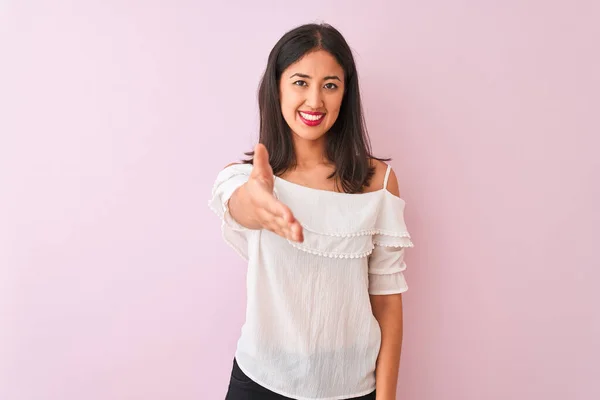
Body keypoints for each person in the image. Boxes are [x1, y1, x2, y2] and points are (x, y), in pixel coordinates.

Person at [208, 23, 414, 400]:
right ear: (277, 88)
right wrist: (259, 206)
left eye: (330, 85)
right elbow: (241, 205)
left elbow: (386, 302)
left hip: (352, 387)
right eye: (300, 82)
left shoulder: (378, 184)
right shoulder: (248, 179)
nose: (315, 101)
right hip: (261, 380)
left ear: (345, 94)